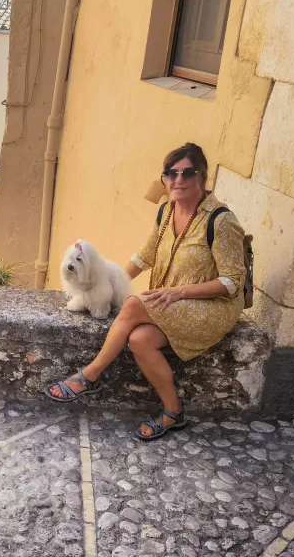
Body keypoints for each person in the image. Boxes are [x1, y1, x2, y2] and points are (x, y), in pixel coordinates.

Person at [44, 142, 247, 441]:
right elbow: (144, 257)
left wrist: (179, 292)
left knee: (133, 305)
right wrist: (107, 283)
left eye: (188, 173)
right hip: (174, 304)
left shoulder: (221, 220)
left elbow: (232, 282)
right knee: (139, 340)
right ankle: (174, 412)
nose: (178, 180)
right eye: (171, 173)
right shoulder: (167, 211)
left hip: (212, 307)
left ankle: (88, 376)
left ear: (202, 176)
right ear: (164, 178)